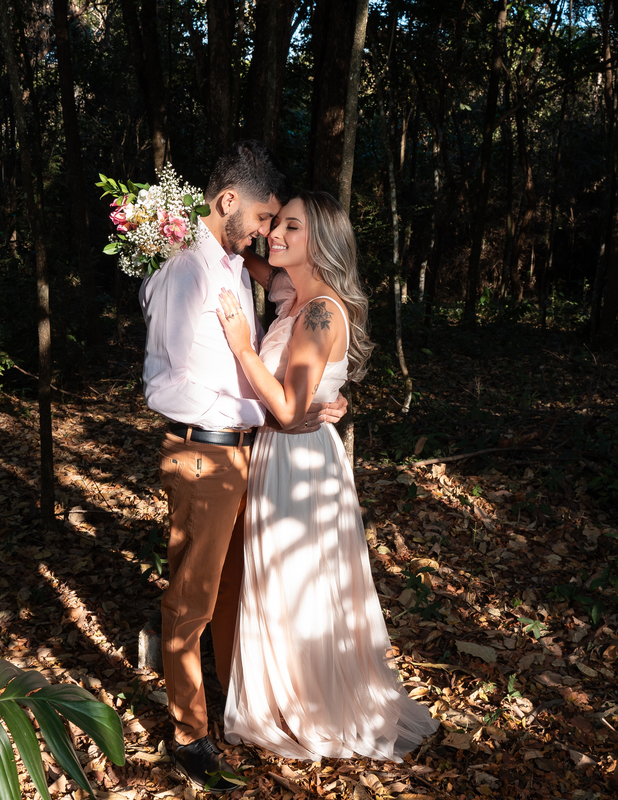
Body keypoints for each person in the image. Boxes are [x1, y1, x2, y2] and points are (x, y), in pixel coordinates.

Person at [139, 141, 346, 793]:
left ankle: (230, 705)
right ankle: (189, 736)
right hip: (204, 452)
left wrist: (315, 400)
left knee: (232, 593)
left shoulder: (233, 264)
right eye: (262, 218)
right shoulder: (182, 272)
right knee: (192, 598)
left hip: (242, 456)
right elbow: (162, 387)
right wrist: (272, 416)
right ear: (228, 202)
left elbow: (306, 322)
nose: (264, 232)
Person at [216, 191, 438, 762]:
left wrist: (243, 345)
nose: (275, 233)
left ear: (323, 242)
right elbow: (255, 263)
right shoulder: (296, 294)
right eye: (276, 222)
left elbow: (290, 409)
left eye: (292, 226)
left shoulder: (319, 310)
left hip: (296, 458)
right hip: (286, 454)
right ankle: (290, 694)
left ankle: (310, 704)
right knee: (285, 585)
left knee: (300, 585)